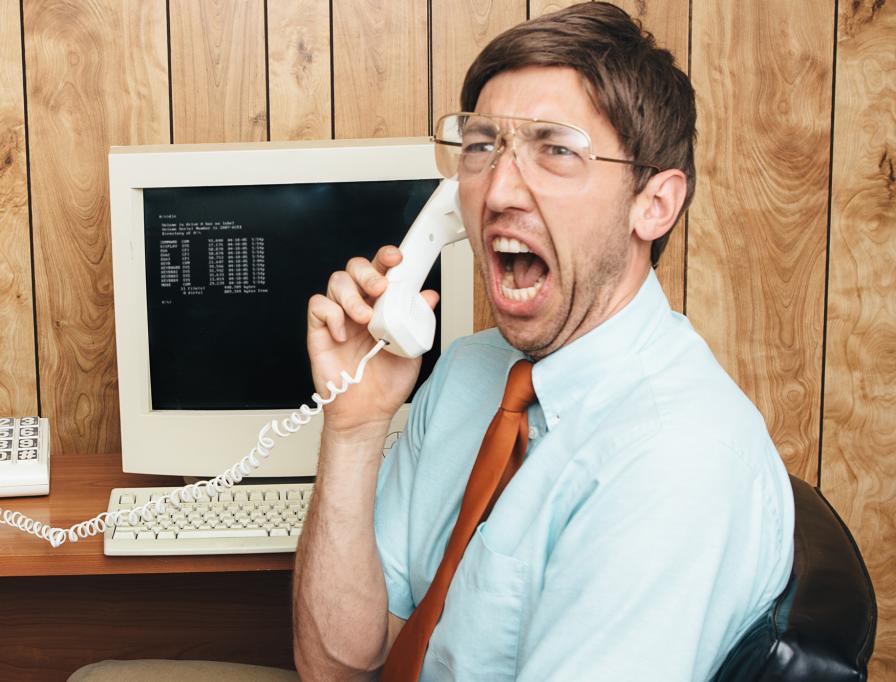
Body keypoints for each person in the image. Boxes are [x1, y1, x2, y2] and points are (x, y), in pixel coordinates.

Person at [293, 3, 795, 680]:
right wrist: (353, 427)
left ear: (655, 204)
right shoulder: (471, 372)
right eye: (480, 146)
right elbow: (341, 666)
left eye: (556, 149)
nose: (498, 189)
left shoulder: (678, 460)